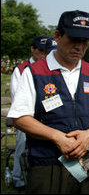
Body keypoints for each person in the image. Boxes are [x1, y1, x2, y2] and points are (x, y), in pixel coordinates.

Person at [7, 10, 89, 194]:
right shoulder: (35, 72)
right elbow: (20, 117)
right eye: (74, 39)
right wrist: (57, 137)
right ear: (57, 36)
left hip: (86, 159)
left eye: (85, 41)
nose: (79, 47)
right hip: (48, 162)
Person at [9, 35, 49, 190]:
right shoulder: (21, 69)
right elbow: (16, 94)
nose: (44, 54)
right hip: (28, 117)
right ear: (33, 49)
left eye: (47, 51)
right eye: (40, 50)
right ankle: (18, 178)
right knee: (21, 145)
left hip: (46, 118)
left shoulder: (48, 68)